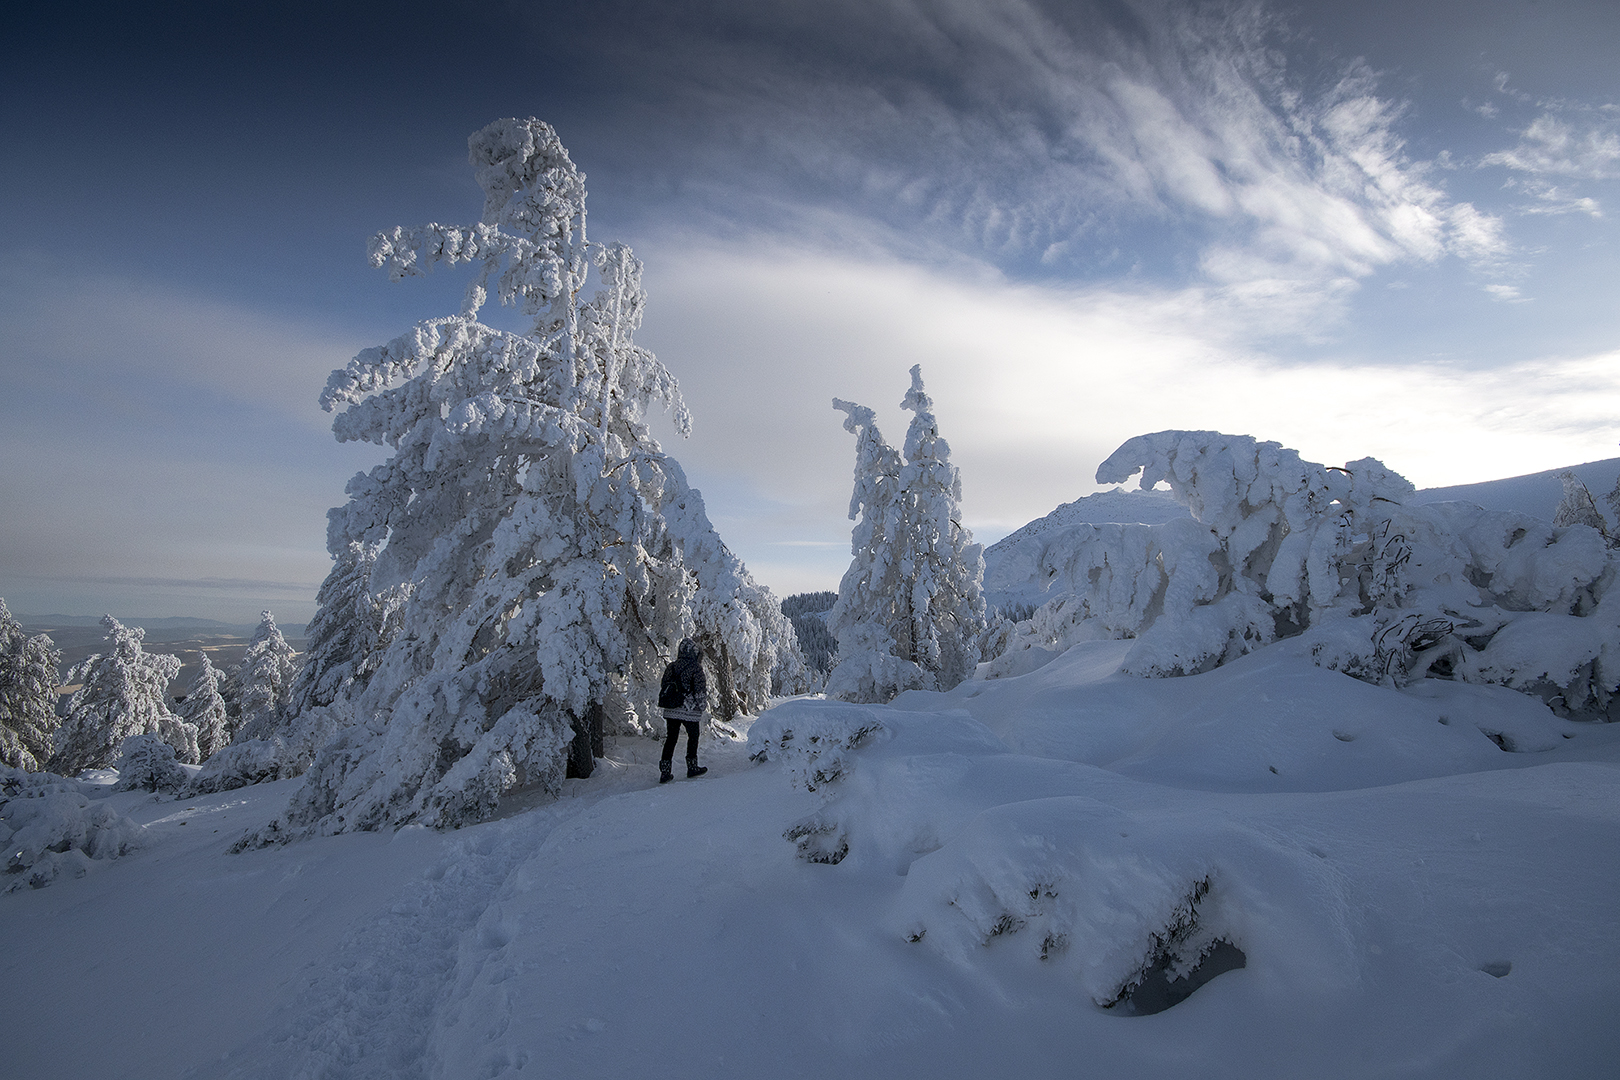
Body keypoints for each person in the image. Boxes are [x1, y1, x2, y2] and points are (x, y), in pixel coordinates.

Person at [657, 638, 709, 783]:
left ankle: (665, 772)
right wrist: (702, 706)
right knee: (693, 737)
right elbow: (700, 690)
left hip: (671, 708)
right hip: (689, 710)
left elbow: (664, 684)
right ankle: (692, 767)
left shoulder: (672, 666)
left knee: (671, 739)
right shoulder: (696, 668)